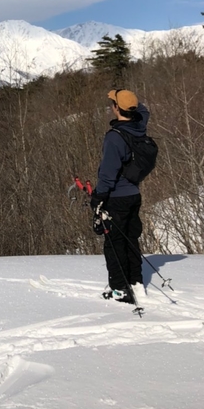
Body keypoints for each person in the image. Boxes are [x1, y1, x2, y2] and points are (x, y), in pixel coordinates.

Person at [90, 89, 150, 304]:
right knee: (131, 239)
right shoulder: (139, 125)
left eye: (113, 103)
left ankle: (120, 290)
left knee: (114, 243)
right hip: (134, 194)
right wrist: (127, 97)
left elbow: (108, 173)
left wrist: (98, 197)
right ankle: (136, 282)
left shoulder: (115, 138)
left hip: (117, 197)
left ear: (116, 108)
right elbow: (142, 109)